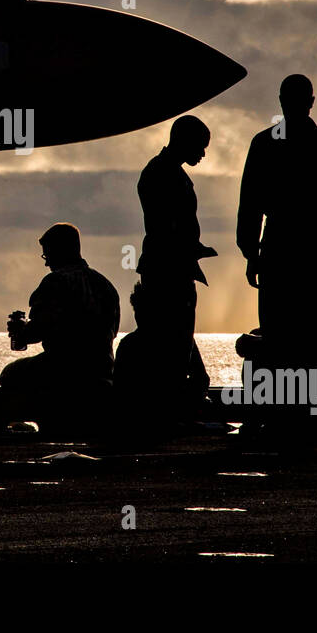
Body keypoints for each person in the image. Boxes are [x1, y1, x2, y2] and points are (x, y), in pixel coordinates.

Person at [237, 74, 317, 394]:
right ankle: (315, 408)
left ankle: (279, 407)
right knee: (316, 336)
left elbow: (249, 205)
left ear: (281, 100)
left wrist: (251, 254)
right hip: (316, 250)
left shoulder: (263, 144)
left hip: (278, 248)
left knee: (278, 333)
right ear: (311, 102)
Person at [135, 115, 217, 411]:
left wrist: (193, 247)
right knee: (173, 337)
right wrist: (190, 247)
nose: (203, 154)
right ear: (185, 140)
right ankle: (174, 403)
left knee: (174, 336)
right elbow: (166, 227)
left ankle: (178, 397)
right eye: (201, 146)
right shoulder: (162, 173)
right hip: (168, 269)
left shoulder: (164, 171)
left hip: (168, 265)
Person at [0, 223, 119, 422]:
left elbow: (37, 331)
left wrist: (21, 332)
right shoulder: (106, 285)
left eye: (47, 255)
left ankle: (31, 422)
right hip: (102, 368)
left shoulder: (55, 283)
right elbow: (112, 331)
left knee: (9, 374)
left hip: (63, 368)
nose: (46, 264)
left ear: (60, 251)